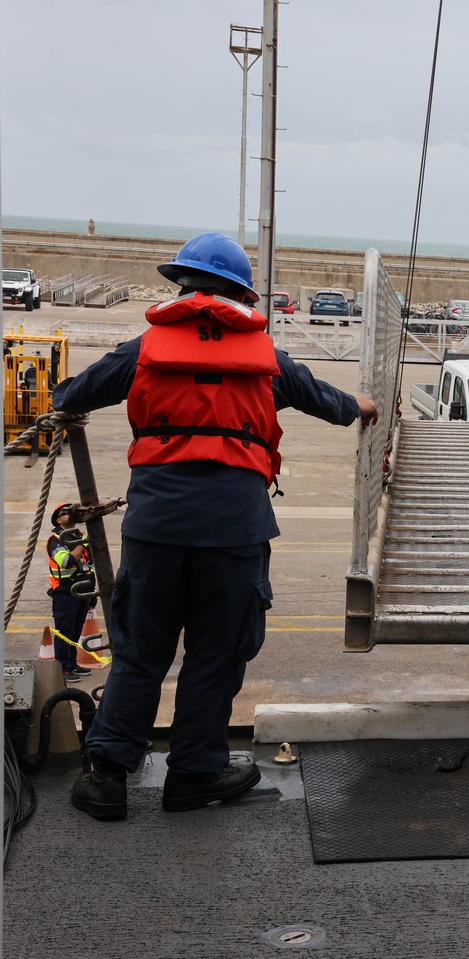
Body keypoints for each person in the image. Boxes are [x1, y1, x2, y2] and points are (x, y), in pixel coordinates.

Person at [57, 232, 378, 821]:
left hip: (154, 529)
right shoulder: (268, 361)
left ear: (182, 286)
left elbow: (70, 393)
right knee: (216, 655)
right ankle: (194, 773)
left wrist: (66, 403)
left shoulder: (143, 349)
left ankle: (106, 778)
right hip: (234, 532)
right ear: (240, 295)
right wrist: (363, 405)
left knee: (139, 653)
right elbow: (332, 404)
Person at [47, 503, 96, 684]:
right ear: (59, 520)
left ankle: (72, 663)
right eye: (65, 512)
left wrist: (92, 593)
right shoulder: (56, 540)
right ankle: (63, 668)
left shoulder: (79, 536)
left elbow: (89, 565)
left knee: (75, 630)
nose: (70, 514)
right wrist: (83, 544)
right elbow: (66, 561)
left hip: (82, 592)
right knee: (64, 632)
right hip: (64, 594)